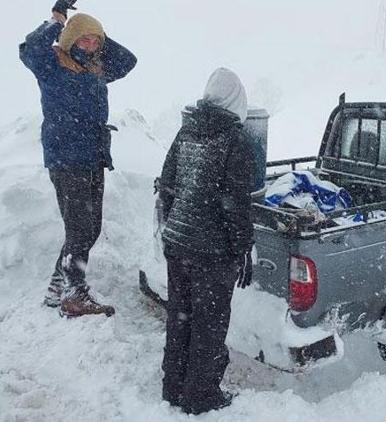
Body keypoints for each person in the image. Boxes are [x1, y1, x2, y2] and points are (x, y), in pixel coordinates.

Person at [19, 1, 137, 317]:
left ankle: (57, 291)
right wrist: (59, 20)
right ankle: (73, 295)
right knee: (81, 229)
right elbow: (30, 48)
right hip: (66, 157)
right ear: (70, 40)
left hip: (93, 156)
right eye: (84, 39)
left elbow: (128, 61)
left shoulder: (96, 70)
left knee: (87, 228)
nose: (91, 45)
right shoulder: (52, 66)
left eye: (95, 41)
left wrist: (96, 31)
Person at [157, 68, 255, 414]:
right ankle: (201, 396)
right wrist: (243, 248)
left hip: (178, 243)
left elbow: (166, 185)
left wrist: (173, 224)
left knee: (180, 317)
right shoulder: (235, 140)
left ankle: (173, 386)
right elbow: (235, 202)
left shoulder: (187, 130)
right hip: (211, 252)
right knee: (209, 325)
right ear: (235, 101)